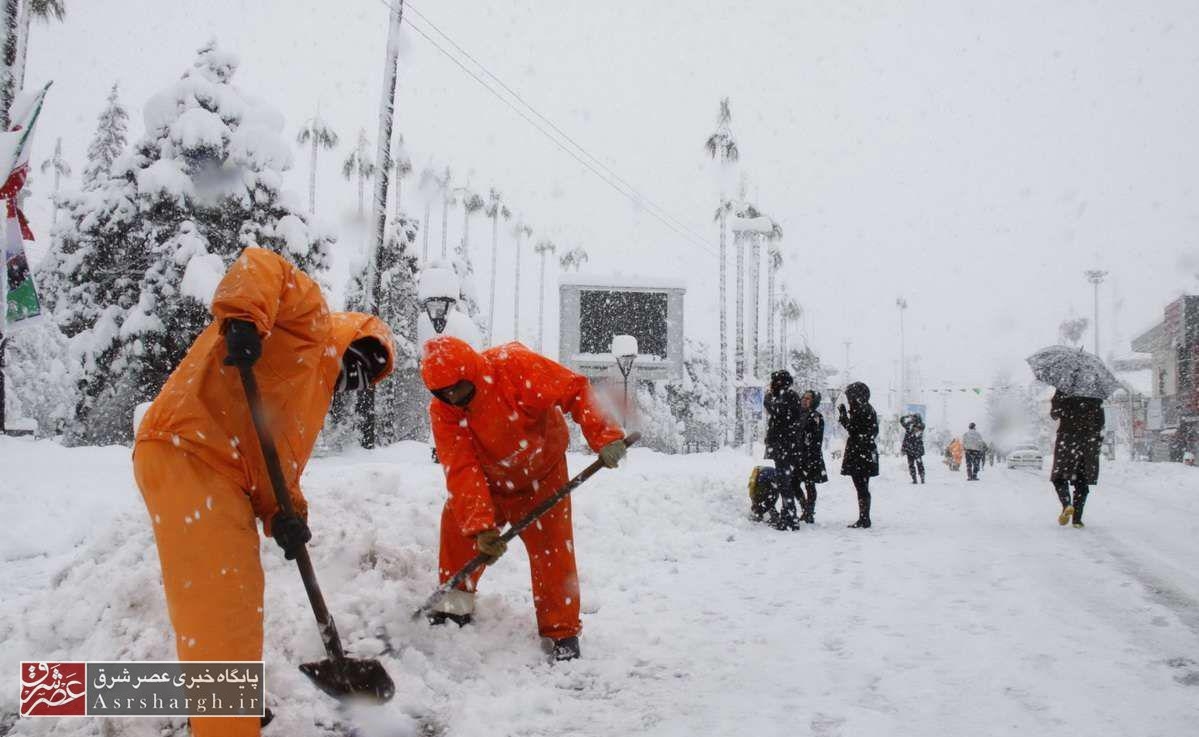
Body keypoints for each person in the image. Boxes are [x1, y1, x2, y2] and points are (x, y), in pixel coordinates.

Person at [134, 248, 395, 737]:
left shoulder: (309, 401)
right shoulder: (308, 325)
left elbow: (276, 470)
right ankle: (225, 723)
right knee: (222, 605)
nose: (355, 380)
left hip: (218, 467)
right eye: (359, 362)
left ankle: (228, 707)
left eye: (365, 380)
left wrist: (285, 516)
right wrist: (244, 318)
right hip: (190, 445)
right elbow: (264, 264)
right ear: (348, 340)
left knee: (236, 596)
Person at [420, 335, 626, 661]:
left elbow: (575, 390)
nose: (452, 398)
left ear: (472, 373)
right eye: (442, 393)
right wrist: (481, 527)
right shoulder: (444, 410)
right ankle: (453, 606)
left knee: (553, 552)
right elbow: (460, 467)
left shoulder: (515, 367)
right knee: (459, 532)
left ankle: (562, 632)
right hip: (489, 481)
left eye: (458, 389)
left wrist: (606, 435)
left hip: (542, 473)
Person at [1049, 390, 1105, 528]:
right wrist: (1095, 442)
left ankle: (1067, 504)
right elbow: (1101, 423)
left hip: (1067, 440)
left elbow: (1055, 414)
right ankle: (1077, 520)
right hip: (1088, 443)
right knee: (1082, 481)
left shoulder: (1064, 390)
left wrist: (1059, 403)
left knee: (1059, 477)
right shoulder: (1095, 394)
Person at [763, 370, 804, 530]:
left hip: (784, 447)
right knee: (783, 482)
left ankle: (790, 519)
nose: (771, 384)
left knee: (784, 483)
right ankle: (788, 515)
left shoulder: (788, 396)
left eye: (773, 381)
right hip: (784, 446)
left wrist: (767, 399)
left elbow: (777, 411)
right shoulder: (787, 396)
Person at [838, 382, 879, 529]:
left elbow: (853, 428)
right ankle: (864, 517)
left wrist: (843, 416)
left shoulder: (861, 409)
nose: (849, 399)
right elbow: (872, 431)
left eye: (850, 396)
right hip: (865, 451)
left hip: (860, 453)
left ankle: (864, 518)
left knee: (861, 486)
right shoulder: (868, 408)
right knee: (862, 485)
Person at [796, 389, 828, 523]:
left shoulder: (816, 416)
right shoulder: (797, 414)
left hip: (810, 456)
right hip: (797, 455)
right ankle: (805, 508)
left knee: (809, 484)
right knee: (793, 483)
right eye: (804, 397)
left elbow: (816, 438)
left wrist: (808, 450)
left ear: (814, 401)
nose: (804, 400)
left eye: (808, 398)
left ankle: (809, 512)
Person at [900, 413, 926, 484]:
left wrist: (911, 420)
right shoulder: (909, 425)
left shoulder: (920, 426)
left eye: (914, 418)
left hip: (916, 448)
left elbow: (920, 428)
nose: (912, 419)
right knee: (912, 464)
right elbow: (901, 421)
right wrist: (907, 416)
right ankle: (914, 479)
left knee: (918, 464)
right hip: (911, 448)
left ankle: (922, 478)